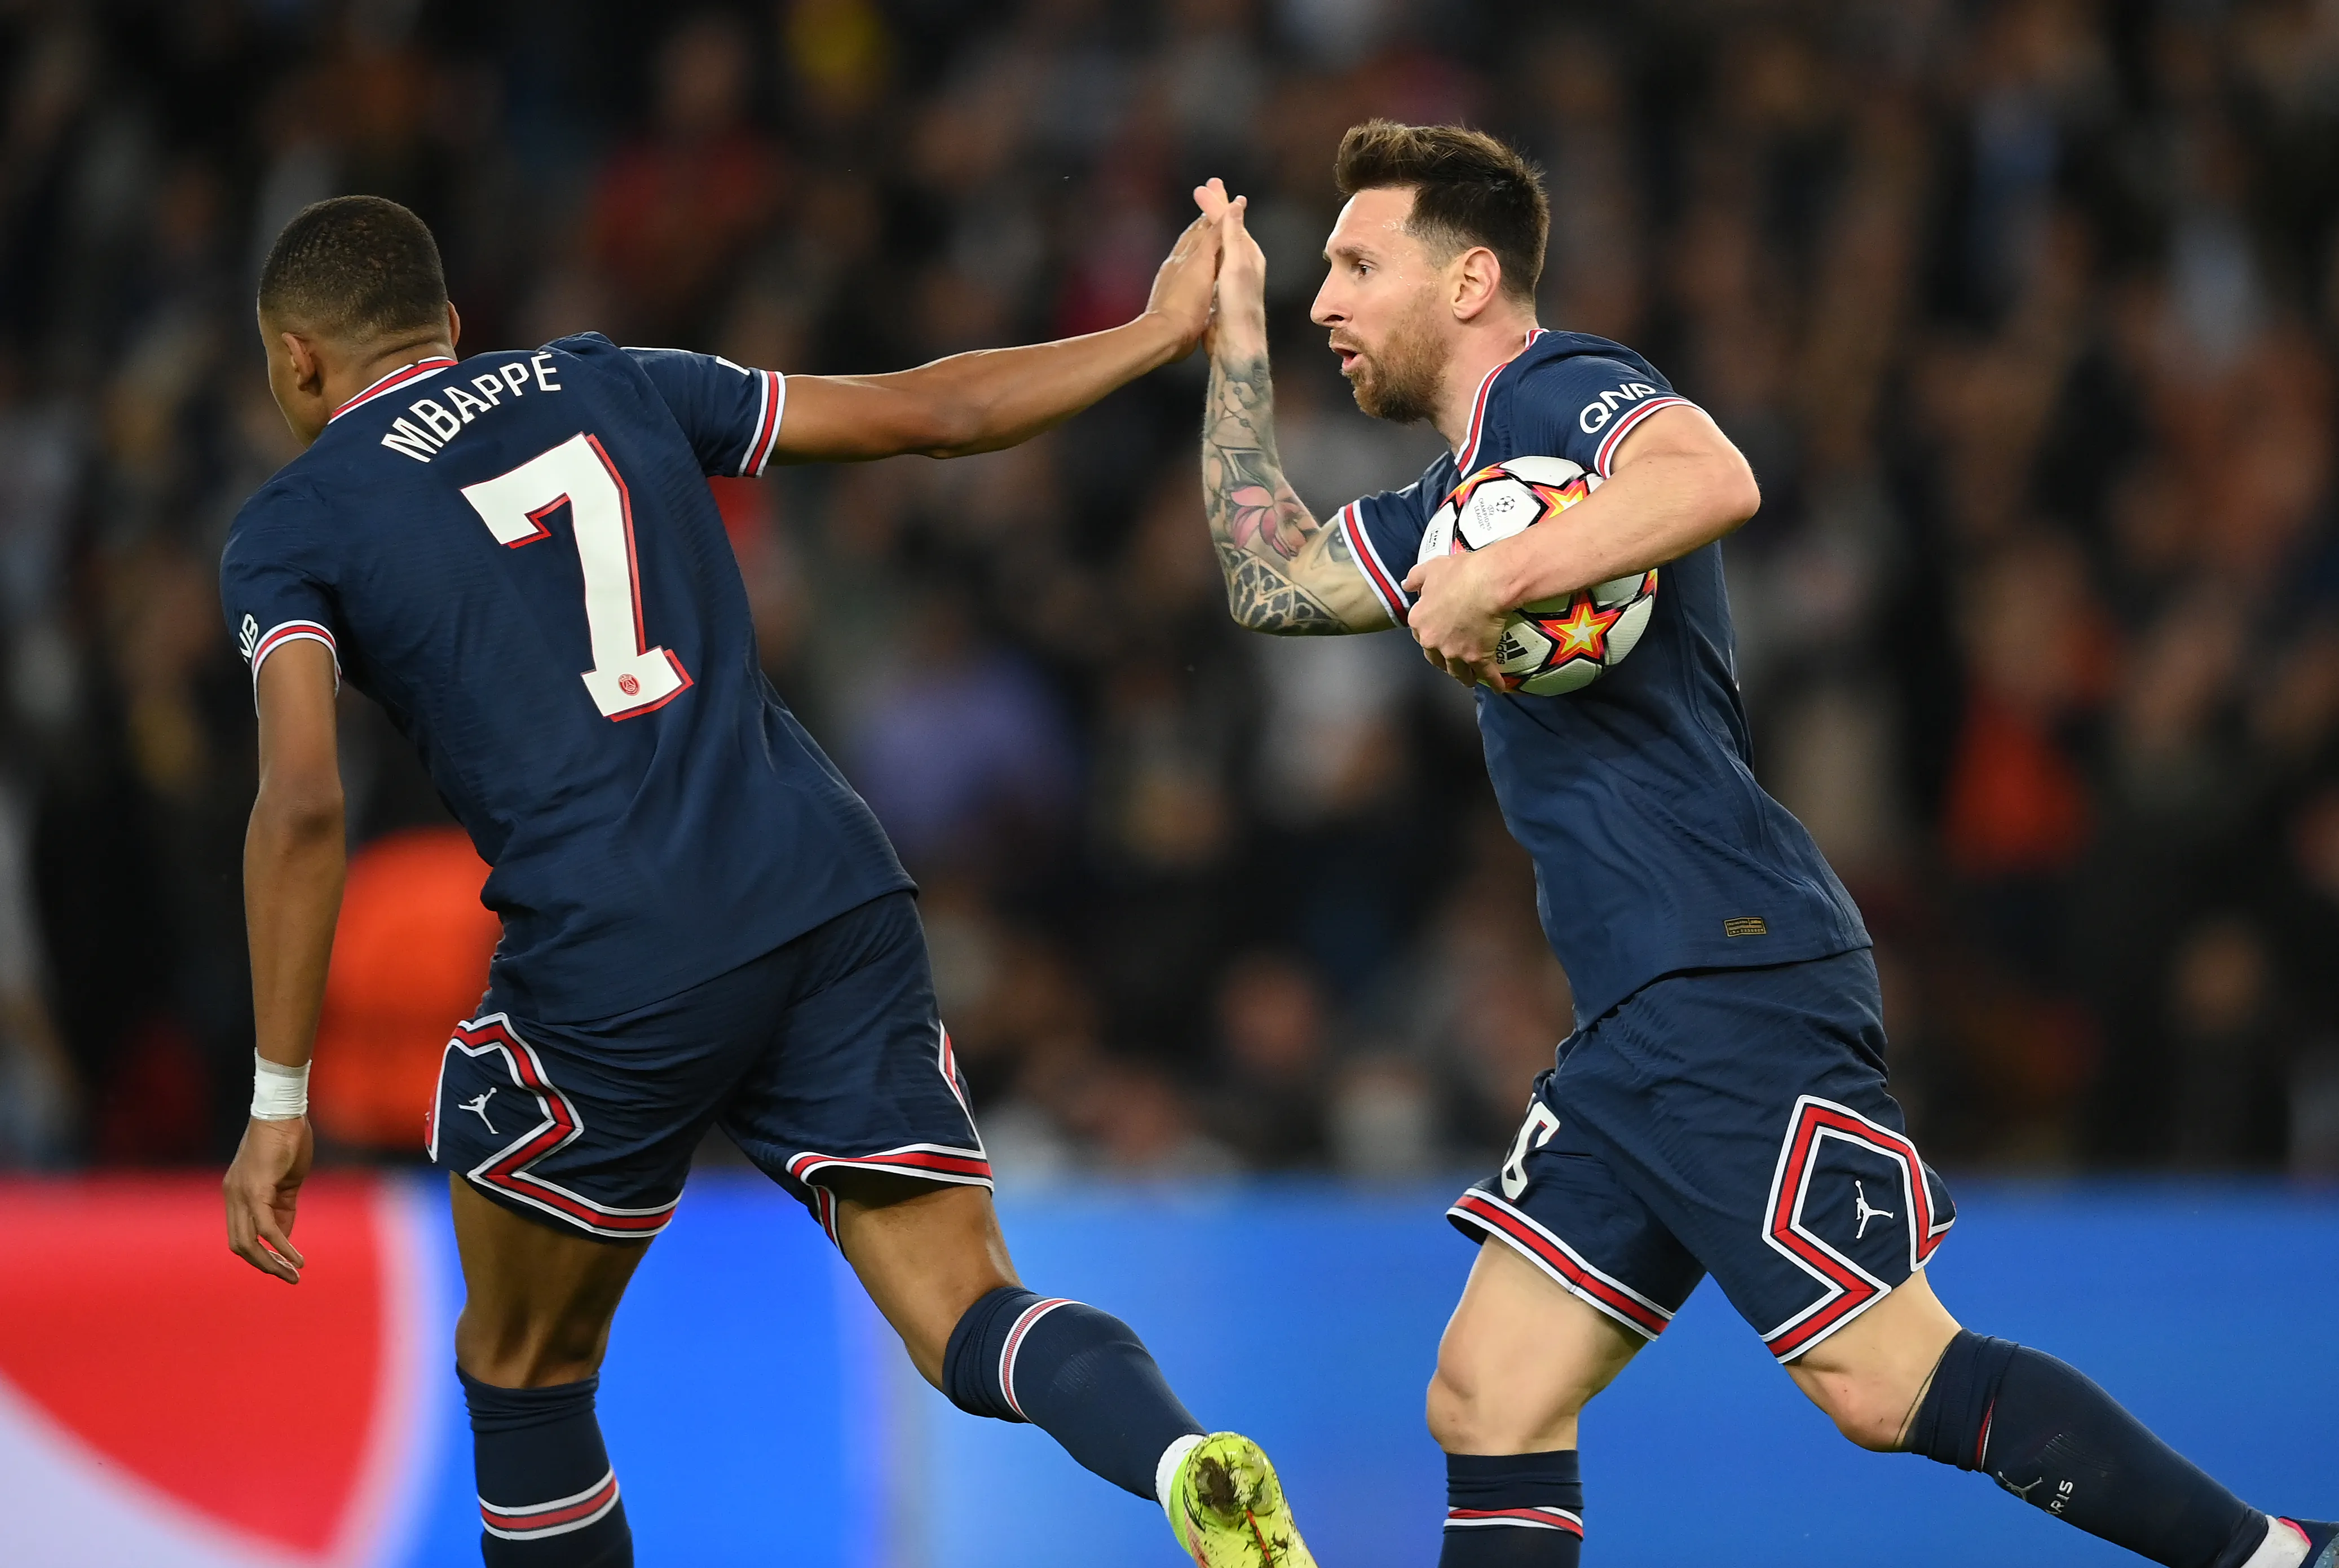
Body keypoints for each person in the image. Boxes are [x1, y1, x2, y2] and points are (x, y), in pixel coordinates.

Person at [1190, 122, 2333, 1568]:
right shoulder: (1447, 497)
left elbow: (1711, 476)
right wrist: (1231, 336)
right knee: (1488, 1391)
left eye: (1357, 266)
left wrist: (1502, 575)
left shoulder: (1562, 387)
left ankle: (2278, 1558)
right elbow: (1269, 579)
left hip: (1724, 966)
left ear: (1469, 278)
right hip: (1635, 1013)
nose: (1326, 301)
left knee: (1883, 1378)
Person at [217, 193, 1312, 1568]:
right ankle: (1178, 1456)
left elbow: (303, 801)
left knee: (525, 1376)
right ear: (447, 323)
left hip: (615, 941)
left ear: (297, 361)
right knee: (967, 1310)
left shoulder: (293, 522)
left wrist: (278, 1098)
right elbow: (938, 412)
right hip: (824, 887)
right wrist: (1153, 332)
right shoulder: (610, 377)